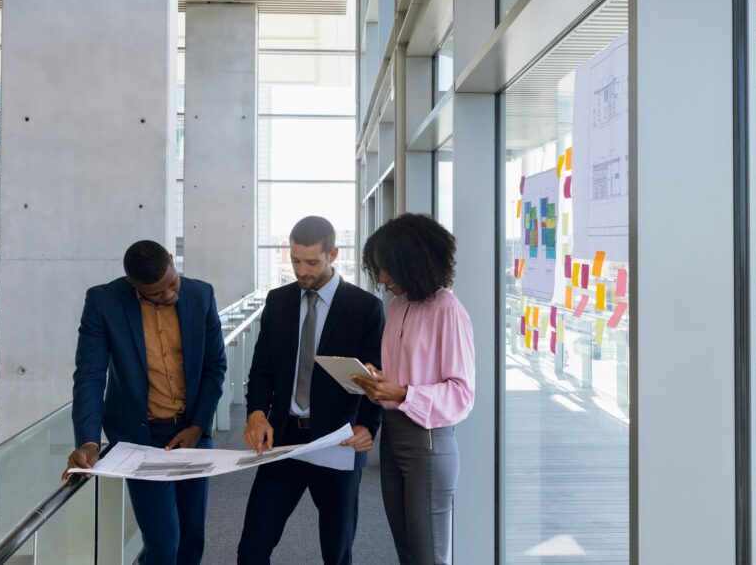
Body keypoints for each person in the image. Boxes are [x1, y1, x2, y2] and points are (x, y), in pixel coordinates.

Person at [65, 240, 227, 565]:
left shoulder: (201, 294)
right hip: (142, 439)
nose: (169, 295)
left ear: (171, 261)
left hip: (192, 435)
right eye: (156, 293)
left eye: (172, 284)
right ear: (133, 285)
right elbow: (90, 376)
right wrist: (88, 440)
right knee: (164, 547)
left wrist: (197, 426)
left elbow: (215, 366)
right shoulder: (103, 302)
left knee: (192, 539)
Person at [236, 216, 385, 565]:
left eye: (312, 262)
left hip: (337, 442)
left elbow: (377, 376)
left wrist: (369, 426)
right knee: (252, 547)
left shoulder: (365, 308)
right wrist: (257, 412)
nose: (301, 270)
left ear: (332, 253)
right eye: (295, 260)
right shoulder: (279, 301)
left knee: (336, 552)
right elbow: (261, 369)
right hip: (284, 439)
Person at [352, 213, 475, 565]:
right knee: (406, 552)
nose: (383, 277)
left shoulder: (447, 309)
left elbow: (462, 394)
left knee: (428, 556)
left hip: (428, 442)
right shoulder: (397, 307)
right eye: (378, 268)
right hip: (393, 439)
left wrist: (404, 393)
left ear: (413, 262)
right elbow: (404, 373)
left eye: (389, 268)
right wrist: (378, 378)